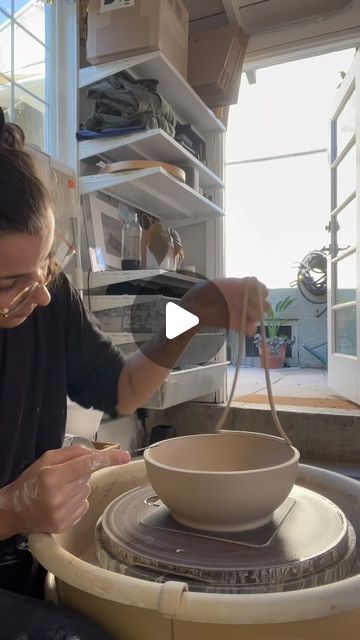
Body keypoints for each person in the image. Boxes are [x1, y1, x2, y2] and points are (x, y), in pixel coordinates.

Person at [0, 109, 269, 638]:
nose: (41, 294)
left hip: (28, 563)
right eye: (9, 283)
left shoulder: (48, 302)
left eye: (45, 268)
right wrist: (10, 511)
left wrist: (190, 311)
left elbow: (122, 392)